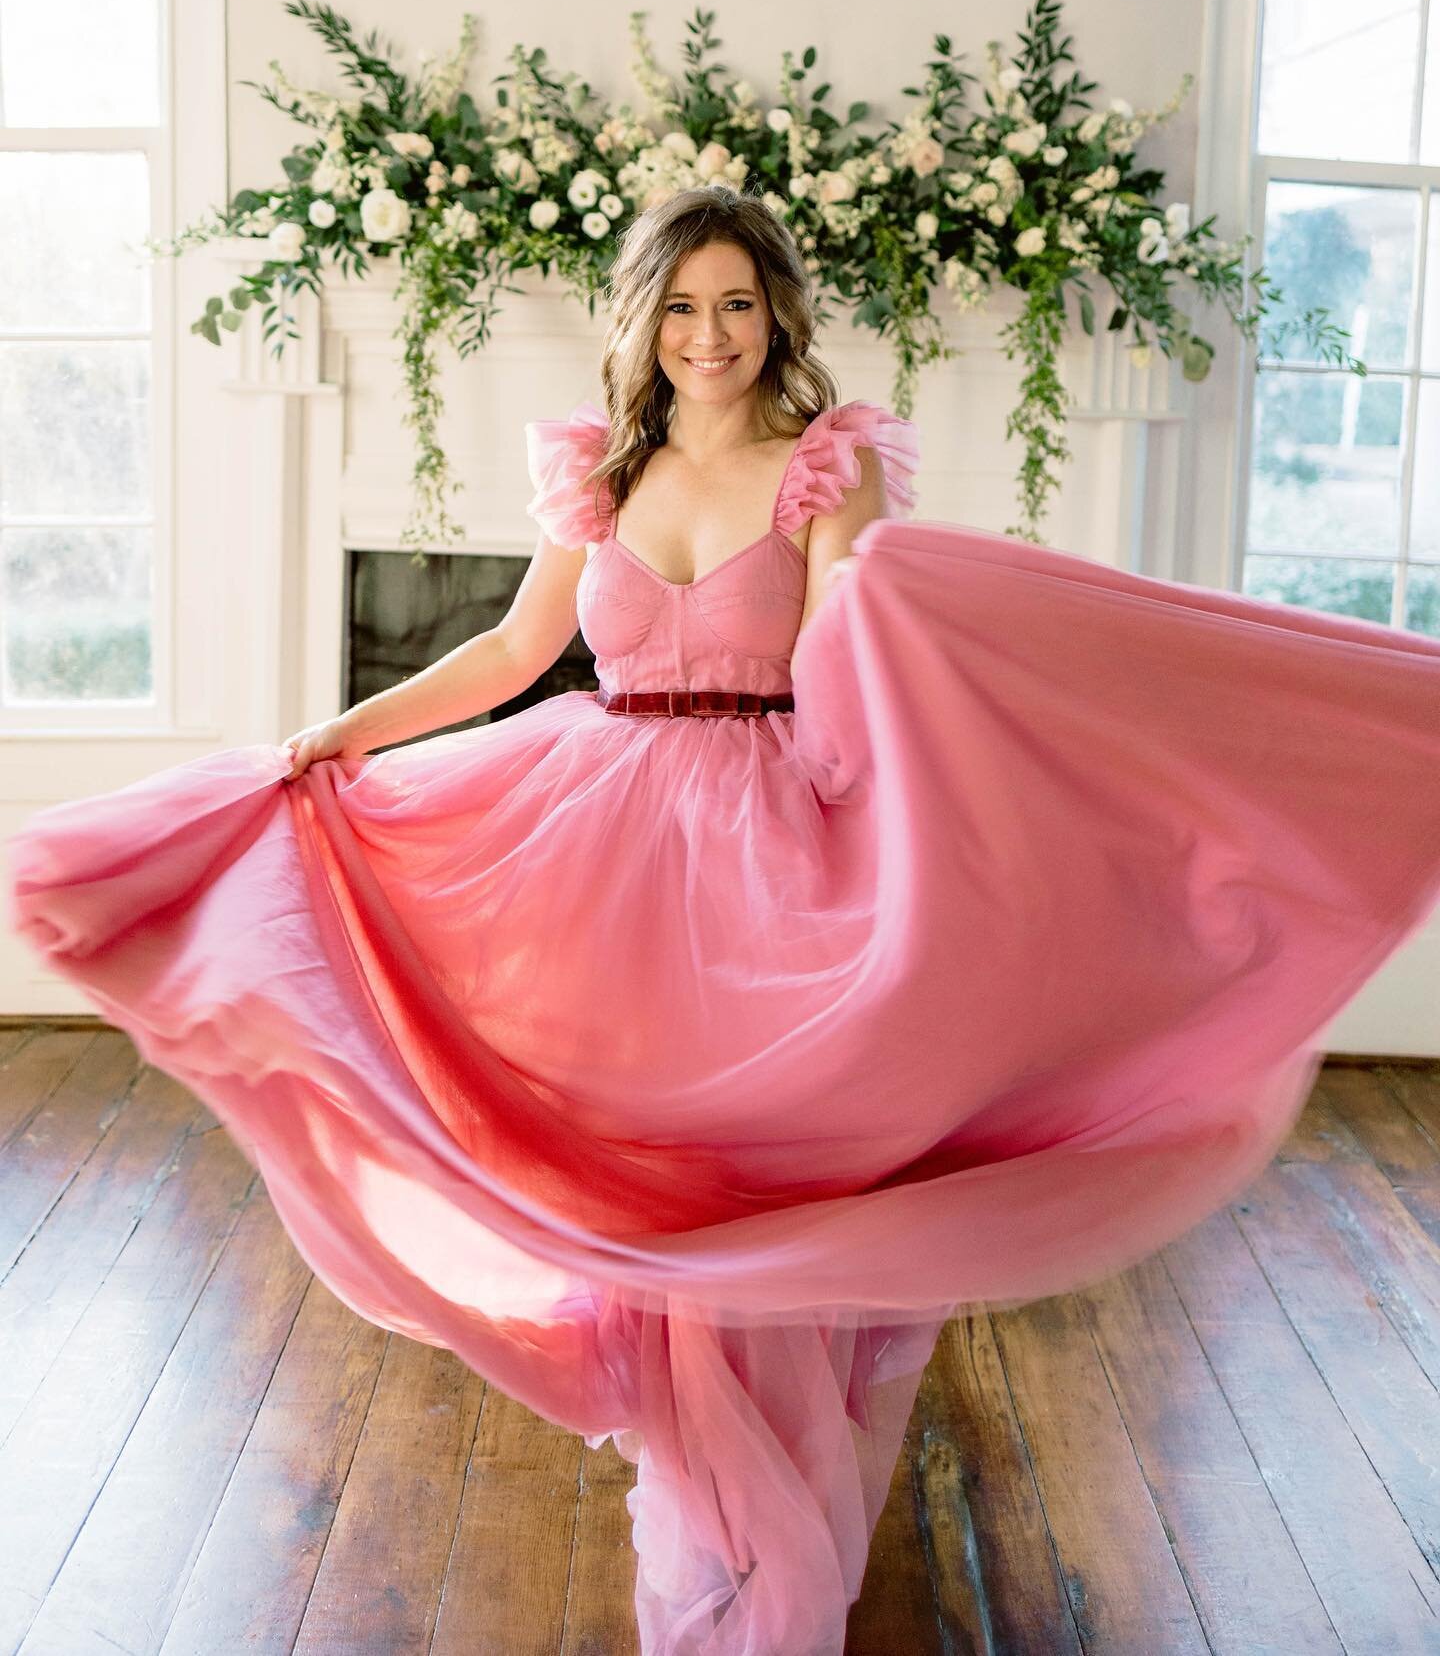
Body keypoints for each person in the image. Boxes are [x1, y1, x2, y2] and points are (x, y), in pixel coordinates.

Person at [8, 181, 1440, 1656]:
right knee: (638, 1171)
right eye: (683, 306)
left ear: (779, 318)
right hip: (602, 836)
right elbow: (514, 651)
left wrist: (930, 814)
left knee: (755, 1173)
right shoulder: (597, 477)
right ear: (643, 321)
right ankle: (704, 1500)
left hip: (765, 838)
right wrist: (347, 734)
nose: (712, 335)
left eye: (739, 305)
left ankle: (755, 1536)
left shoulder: (826, 469)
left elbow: (845, 660)